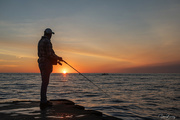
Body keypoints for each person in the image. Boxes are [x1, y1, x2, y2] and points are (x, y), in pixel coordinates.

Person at [38, 28, 63, 109]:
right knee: (45, 82)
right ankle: (43, 102)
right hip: (46, 64)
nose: (51, 36)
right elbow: (50, 55)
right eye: (51, 34)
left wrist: (57, 61)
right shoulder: (47, 41)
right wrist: (58, 58)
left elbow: (46, 54)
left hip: (41, 63)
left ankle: (43, 100)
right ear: (49, 34)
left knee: (44, 82)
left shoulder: (40, 41)